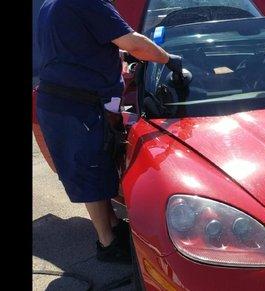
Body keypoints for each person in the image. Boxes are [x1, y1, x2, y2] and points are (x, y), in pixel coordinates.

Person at [36, 0, 183, 263]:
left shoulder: (52, 3)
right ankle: (108, 244)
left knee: (96, 166)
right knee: (91, 170)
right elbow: (134, 42)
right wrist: (168, 59)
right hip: (77, 105)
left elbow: (83, 45)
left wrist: (122, 56)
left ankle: (113, 225)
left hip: (64, 102)